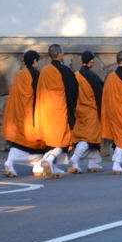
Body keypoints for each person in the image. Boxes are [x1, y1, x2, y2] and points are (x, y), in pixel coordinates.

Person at [35, 44, 78, 178]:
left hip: (46, 110)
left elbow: (40, 90)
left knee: (50, 140)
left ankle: (53, 167)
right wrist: (72, 109)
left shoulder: (44, 71)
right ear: (59, 54)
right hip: (60, 111)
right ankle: (48, 160)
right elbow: (72, 91)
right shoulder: (64, 70)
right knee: (62, 139)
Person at [0, 50, 46, 177]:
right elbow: (40, 94)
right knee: (37, 140)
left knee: (19, 141)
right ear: (35, 61)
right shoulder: (36, 74)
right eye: (38, 60)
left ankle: (15, 162)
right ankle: (35, 165)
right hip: (31, 113)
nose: (39, 63)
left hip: (19, 112)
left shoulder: (20, 74)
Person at [69, 51, 104, 174]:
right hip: (91, 111)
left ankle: (92, 162)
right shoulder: (93, 77)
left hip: (78, 110)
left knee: (92, 137)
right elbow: (100, 95)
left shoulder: (75, 75)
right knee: (88, 137)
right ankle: (75, 157)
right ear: (92, 61)